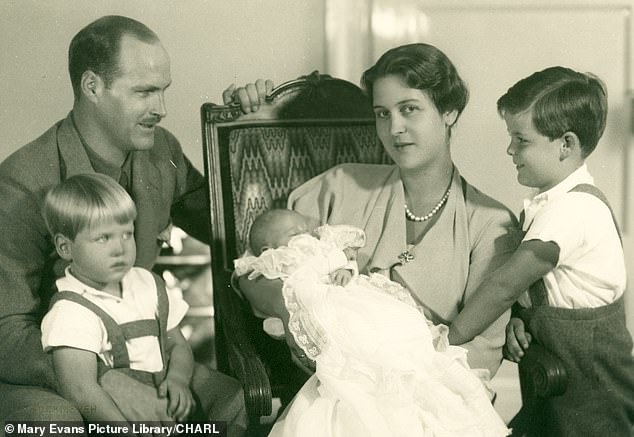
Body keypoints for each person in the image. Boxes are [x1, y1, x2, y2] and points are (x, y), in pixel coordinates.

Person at [0, 15, 245, 430]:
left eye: (163, 91)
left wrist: (243, 126)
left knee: (231, 402)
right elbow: (6, 331)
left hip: (144, 352)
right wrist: (103, 376)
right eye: (145, 92)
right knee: (53, 420)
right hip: (46, 372)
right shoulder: (22, 181)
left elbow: (228, 222)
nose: (162, 109)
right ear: (92, 86)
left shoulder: (160, 149)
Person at [227, 43, 519, 376]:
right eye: (383, 113)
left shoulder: (490, 225)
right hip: (336, 381)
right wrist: (290, 310)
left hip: (434, 391)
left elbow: (479, 351)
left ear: (449, 111)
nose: (394, 128)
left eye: (409, 109)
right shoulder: (337, 188)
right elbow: (252, 273)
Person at [447, 66, 634, 436]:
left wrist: (447, 342)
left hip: (594, 395)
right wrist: (520, 318)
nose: (510, 149)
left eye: (522, 140)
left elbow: (504, 285)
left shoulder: (573, 210)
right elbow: (542, 292)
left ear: (566, 144)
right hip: (556, 388)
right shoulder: (550, 206)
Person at [235, 208, 509, 437]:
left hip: (354, 296)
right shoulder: (276, 259)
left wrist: (344, 269)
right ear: (267, 248)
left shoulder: (321, 245)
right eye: (294, 234)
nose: (304, 235)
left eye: (304, 228)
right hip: (325, 302)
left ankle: (407, 357)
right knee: (357, 345)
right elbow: (262, 280)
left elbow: (343, 260)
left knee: (398, 322)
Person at [40, 173, 246, 433]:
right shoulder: (71, 310)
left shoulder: (146, 283)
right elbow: (81, 390)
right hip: (120, 410)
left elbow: (177, 344)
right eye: (103, 238)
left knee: (232, 396)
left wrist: (179, 379)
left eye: (126, 234)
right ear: (65, 248)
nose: (120, 248)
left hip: (167, 389)